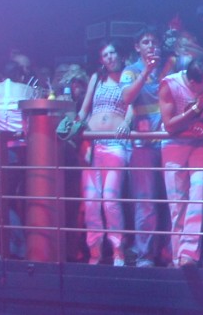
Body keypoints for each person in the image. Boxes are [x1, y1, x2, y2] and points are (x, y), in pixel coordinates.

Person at [159, 58, 203, 268]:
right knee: (177, 203)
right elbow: (169, 125)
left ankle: (189, 254)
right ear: (193, 83)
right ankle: (178, 258)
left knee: (199, 192)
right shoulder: (170, 85)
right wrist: (196, 109)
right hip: (174, 145)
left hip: (200, 143)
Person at [77, 41, 132, 266]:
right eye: (105, 55)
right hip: (92, 143)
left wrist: (127, 122)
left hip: (115, 144)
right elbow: (85, 108)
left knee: (110, 199)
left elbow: (133, 104)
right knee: (91, 201)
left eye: (112, 53)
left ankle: (118, 250)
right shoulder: (97, 78)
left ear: (119, 55)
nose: (109, 57)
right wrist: (77, 127)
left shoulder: (128, 76)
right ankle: (95, 251)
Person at [0, 60, 38, 259]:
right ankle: (20, 247)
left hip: (5, 150)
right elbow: (34, 121)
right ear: (20, 75)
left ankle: (17, 248)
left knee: (4, 198)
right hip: (29, 150)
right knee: (17, 198)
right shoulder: (28, 90)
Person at [120, 26, 165, 267]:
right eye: (146, 42)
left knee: (171, 198)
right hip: (143, 145)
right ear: (137, 47)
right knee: (145, 200)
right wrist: (146, 71)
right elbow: (126, 97)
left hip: (169, 141)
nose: (151, 45)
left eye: (154, 41)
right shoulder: (131, 71)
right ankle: (145, 255)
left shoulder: (168, 68)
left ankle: (170, 253)